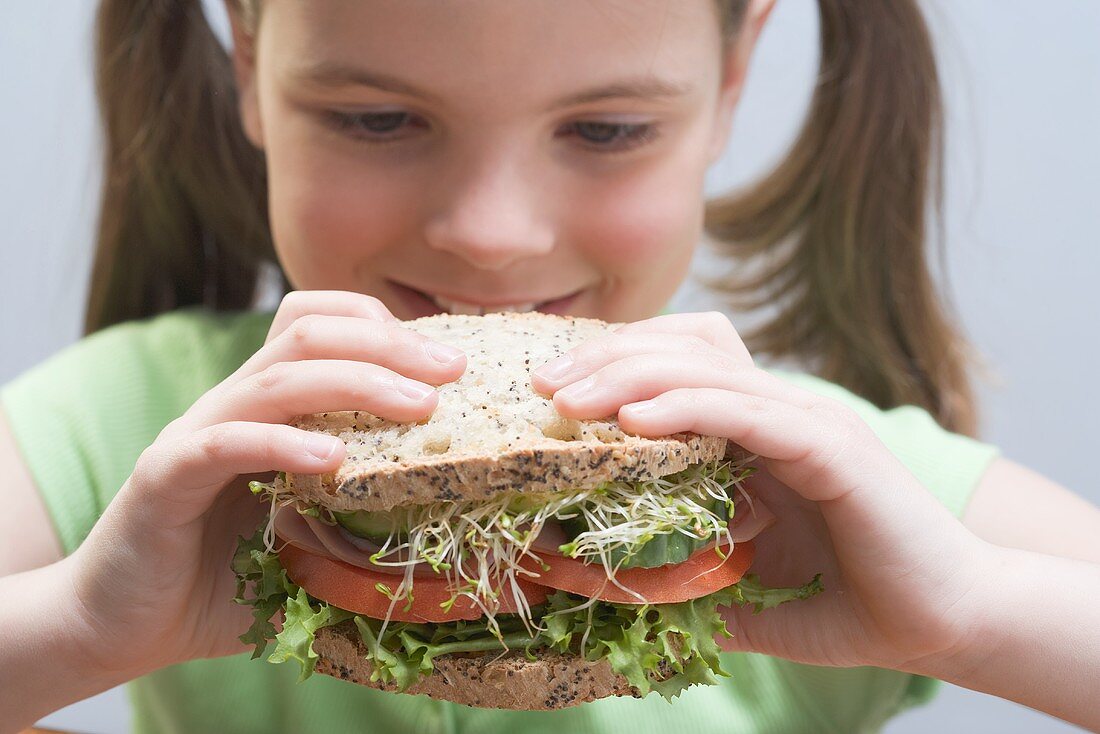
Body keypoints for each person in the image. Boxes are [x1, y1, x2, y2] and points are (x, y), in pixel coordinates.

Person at [1, 0, 1098, 732]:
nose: (490, 233)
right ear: (248, 62)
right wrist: (80, 627)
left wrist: (973, 605)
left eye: (606, 129)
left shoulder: (821, 489)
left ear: (730, 78)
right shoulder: (140, 428)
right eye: (377, 118)